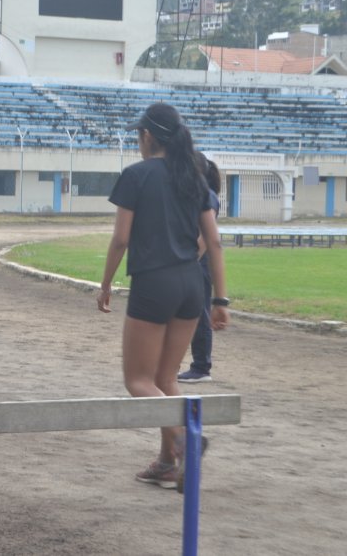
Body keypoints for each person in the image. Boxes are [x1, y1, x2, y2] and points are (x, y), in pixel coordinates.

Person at [97, 102, 230, 492]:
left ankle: (186, 440)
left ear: (148, 137)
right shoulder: (194, 178)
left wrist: (105, 284)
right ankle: (168, 462)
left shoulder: (136, 175)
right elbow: (214, 241)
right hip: (192, 285)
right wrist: (220, 301)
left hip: (154, 283)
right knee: (165, 378)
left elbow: (121, 238)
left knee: (138, 381)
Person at [179, 155, 223, 383]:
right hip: (190, 259)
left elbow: (207, 237)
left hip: (198, 261)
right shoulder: (197, 197)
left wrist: (190, 260)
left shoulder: (210, 198)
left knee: (200, 313)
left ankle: (201, 366)